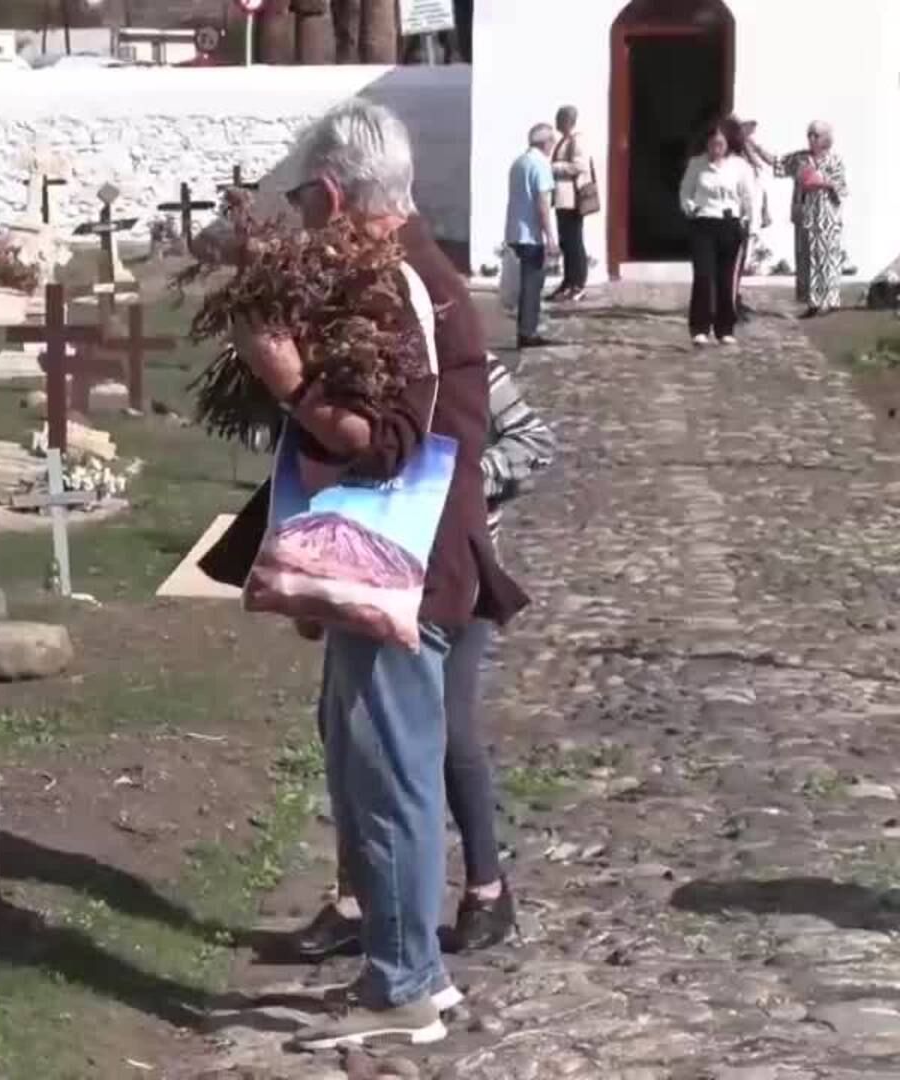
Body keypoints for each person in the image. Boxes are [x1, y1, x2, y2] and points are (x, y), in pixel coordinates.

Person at [238, 99, 531, 1050]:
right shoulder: (417, 270)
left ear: (331, 193)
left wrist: (286, 377)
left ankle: (406, 980)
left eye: (302, 201)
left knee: (388, 771)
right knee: (373, 760)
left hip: (407, 570)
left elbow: (389, 445)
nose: (301, 221)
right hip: (422, 561)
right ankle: (407, 974)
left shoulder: (395, 282)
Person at [289, 353, 557, 968]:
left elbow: (535, 442)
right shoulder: (355, 369)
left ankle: (487, 889)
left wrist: (456, 478)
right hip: (368, 558)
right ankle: (357, 898)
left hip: (455, 567)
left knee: (448, 727)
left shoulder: (468, 367)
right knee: (345, 722)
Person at [678, 124, 757, 346]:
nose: (716, 149)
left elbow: (749, 197)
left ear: (728, 144)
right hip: (703, 223)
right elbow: (685, 191)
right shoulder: (697, 164)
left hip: (730, 224)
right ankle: (699, 328)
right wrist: (689, 206)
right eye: (713, 144)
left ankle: (725, 328)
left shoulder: (739, 167)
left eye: (720, 144)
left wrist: (753, 226)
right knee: (703, 276)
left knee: (726, 279)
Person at [768, 120, 850, 318]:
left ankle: (829, 301)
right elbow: (776, 162)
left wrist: (823, 182)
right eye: (809, 134)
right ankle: (812, 302)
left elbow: (842, 188)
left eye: (816, 135)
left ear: (826, 139)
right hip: (805, 215)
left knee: (827, 257)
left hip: (827, 215)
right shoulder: (800, 159)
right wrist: (750, 145)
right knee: (807, 258)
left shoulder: (835, 160)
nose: (812, 138)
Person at [504, 124, 560, 349]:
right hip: (531, 233)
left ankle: (525, 329)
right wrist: (551, 238)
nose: (553, 145)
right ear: (545, 142)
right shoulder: (541, 165)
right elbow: (543, 204)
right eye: (552, 141)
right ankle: (527, 332)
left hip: (515, 229)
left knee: (525, 283)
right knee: (532, 285)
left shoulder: (519, 163)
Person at [725, 117, 774, 324]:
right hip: (738, 219)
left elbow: (759, 185)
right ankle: (728, 305)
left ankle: (733, 299)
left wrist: (764, 210)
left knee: (739, 263)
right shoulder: (732, 160)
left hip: (749, 219)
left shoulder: (748, 158)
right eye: (745, 133)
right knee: (732, 264)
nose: (749, 137)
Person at [548, 106, 595, 302]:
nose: (557, 122)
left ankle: (578, 284)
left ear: (569, 120)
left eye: (560, 119)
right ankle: (567, 282)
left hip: (572, 199)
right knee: (566, 242)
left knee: (575, 242)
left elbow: (580, 166)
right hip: (561, 200)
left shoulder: (577, 141)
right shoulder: (564, 141)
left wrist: (555, 167)